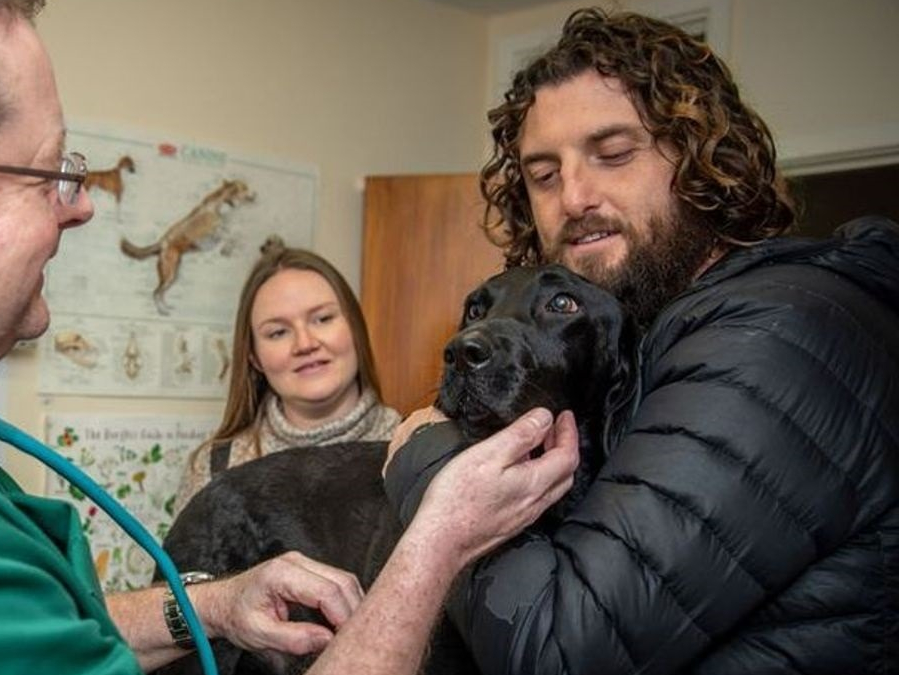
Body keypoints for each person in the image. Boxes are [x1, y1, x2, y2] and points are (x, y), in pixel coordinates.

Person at [0, 2, 579, 675]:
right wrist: (439, 541)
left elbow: (36, 619)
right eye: (46, 173)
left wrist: (216, 606)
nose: (78, 206)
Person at [385, 8, 899, 674]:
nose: (572, 196)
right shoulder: (665, 334)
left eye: (614, 153)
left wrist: (425, 459)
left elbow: (560, 648)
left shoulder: (772, 336)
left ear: (701, 161)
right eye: (543, 174)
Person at [175, 244, 400, 512]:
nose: (304, 344)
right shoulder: (212, 466)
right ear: (254, 357)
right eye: (278, 333)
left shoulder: (415, 449)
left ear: (356, 328)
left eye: (323, 319)